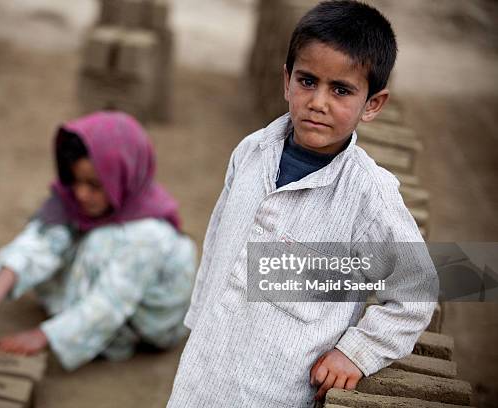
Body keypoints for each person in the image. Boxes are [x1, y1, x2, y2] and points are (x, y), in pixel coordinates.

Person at [167, 1, 437, 406]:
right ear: (286, 80)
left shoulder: (368, 196)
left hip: (275, 392)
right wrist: (198, 321)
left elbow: (417, 290)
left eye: (341, 90)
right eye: (307, 81)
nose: (319, 102)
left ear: (373, 104)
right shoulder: (252, 152)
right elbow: (219, 238)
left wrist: (356, 353)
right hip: (201, 376)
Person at [0, 111, 197, 371]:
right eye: (76, 180)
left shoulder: (148, 235)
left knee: (97, 243)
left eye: (94, 185)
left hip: (151, 322)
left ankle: (108, 338)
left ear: (122, 177)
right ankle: (74, 322)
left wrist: (43, 335)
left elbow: (109, 301)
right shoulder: (72, 199)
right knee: (58, 232)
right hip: (117, 282)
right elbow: (35, 245)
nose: (81, 194)